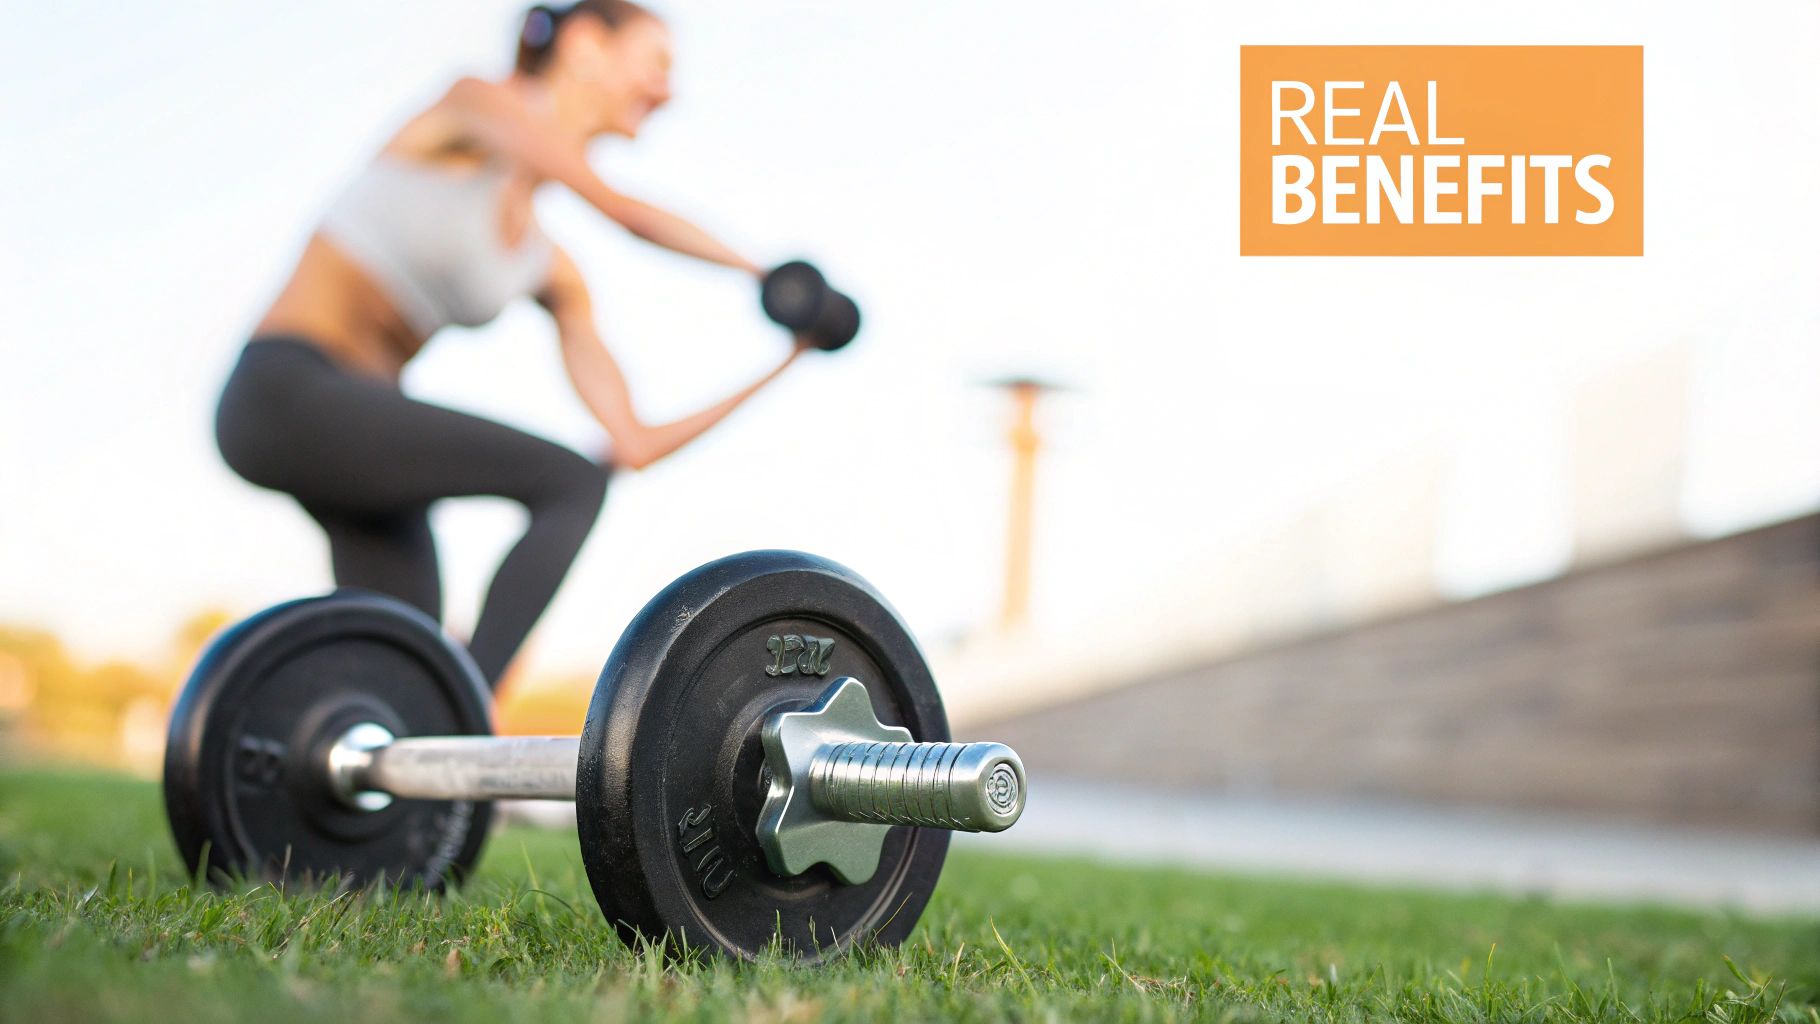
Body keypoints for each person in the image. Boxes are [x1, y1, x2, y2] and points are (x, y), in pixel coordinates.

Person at [215, 0, 803, 688]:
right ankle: (469, 706)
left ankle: (413, 742)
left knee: (399, 674)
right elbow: (621, 210)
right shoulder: (472, 105)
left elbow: (632, 441)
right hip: (283, 393)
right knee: (566, 484)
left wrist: (791, 354)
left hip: (364, 446)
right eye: (657, 65)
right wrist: (766, 274)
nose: (668, 92)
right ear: (585, 44)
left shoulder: (547, 267)